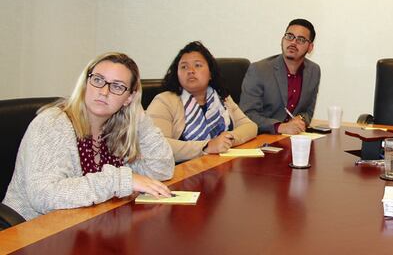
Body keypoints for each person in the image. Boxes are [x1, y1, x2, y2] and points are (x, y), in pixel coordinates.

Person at [2, 52, 175, 220]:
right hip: (32, 233)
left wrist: (139, 117)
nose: (104, 92)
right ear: (86, 83)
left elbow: (161, 169)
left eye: (117, 86)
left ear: (128, 97)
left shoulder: (115, 128)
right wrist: (119, 181)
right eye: (98, 80)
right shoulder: (53, 123)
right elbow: (44, 196)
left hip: (87, 226)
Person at [147, 41, 258, 162]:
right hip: (182, 171)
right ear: (177, 74)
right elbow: (157, 145)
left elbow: (250, 126)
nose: (190, 70)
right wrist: (206, 146)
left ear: (210, 73)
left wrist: (228, 139)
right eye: (184, 67)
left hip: (218, 166)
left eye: (198, 65)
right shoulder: (164, 101)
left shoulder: (221, 98)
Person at [240, 18, 321, 135]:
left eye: (301, 39)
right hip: (263, 139)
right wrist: (279, 127)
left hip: (294, 138)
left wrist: (301, 120)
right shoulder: (259, 70)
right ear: (282, 39)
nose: (293, 42)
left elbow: (308, 111)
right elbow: (247, 114)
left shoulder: (314, 71)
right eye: (289, 36)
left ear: (310, 48)